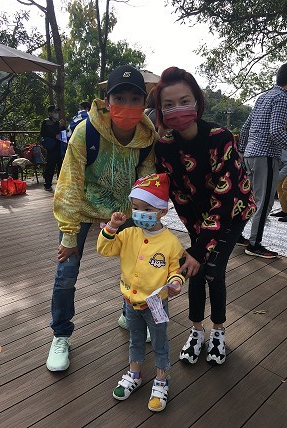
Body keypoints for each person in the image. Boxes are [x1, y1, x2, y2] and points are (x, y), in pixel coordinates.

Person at [45, 65, 157, 372]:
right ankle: (61, 335)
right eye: (119, 98)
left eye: (135, 99)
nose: (127, 105)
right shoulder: (87, 132)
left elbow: (145, 183)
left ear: (144, 103)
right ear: (107, 101)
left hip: (124, 209)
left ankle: (129, 314)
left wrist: (146, 222)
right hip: (81, 207)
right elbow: (69, 184)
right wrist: (69, 234)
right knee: (66, 272)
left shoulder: (148, 138)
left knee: (137, 267)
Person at [154, 66, 256, 365]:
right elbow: (177, 196)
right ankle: (196, 330)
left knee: (212, 267)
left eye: (184, 101)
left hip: (233, 210)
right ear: (160, 111)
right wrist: (196, 242)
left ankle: (219, 330)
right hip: (197, 216)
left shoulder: (221, 138)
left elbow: (226, 197)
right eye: (169, 104)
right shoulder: (164, 147)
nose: (177, 109)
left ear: (197, 102)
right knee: (195, 267)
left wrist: (200, 248)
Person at [96, 172, 185, 412]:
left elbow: (176, 270)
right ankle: (134, 373)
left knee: (159, 342)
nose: (139, 213)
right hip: (130, 301)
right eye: (135, 208)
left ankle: (161, 379)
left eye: (147, 209)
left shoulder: (171, 242)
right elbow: (104, 249)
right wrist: (112, 227)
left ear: (162, 211)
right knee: (135, 339)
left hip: (156, 304)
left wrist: (176, 282)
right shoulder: (128, 234)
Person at [237, 62, 287, 258]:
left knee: (250, 200)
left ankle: (237, 235)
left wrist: (242, 151)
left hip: (250, 155)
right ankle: (254, 244)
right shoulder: (282, 97)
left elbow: (245, 128)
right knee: (265, 203)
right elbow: (276, 131)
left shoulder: (264, 96)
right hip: (265, 156)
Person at [40, 105, 63, 192]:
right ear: (50, 113)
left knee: (61, 166)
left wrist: (61, 126)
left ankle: (61, 184)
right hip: (51, 148)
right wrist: (54, 135)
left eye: (57, 112)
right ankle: (48, 184)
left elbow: (62, 132)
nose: (56, 113)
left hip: (59, 147)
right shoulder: (46, 122)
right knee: (50, 166)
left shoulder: (58, 123)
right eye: (54, 112)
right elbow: (43, 133)